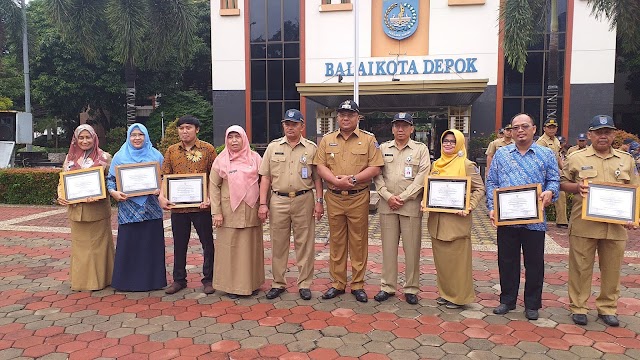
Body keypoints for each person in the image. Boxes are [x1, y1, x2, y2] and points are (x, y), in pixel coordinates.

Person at [561, 115, 639, 327]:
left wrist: (634, 217)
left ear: (614, 134)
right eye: (598, 132)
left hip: (615, 227)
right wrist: (576, 187)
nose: (603, 136)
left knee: (612, 269)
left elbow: (635, 188)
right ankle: (578, 307)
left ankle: (607, 308)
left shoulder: (626, 160)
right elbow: (561, 182)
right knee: (580, 268)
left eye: (607, 132)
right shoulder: (576, 158)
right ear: (590, 135)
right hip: (584, 224)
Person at [486, 113, 559, 320]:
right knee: (507, 261)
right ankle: (507, 300)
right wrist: (492, 207)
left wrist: (550, 193)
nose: (519, 130)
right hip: (507, 219)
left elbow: (554, 180)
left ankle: (532, 304)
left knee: (534, 263)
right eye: (515, 127)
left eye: (524, 126)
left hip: (534, 221)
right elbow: (492, 181)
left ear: (534, 129)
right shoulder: (502, 154)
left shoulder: (545, 154)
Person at [312, 100, 384, 303]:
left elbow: (375, 167)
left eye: (350, 114)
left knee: (358, 242)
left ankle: (358, 284)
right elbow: (320, 165)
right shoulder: (327, 140)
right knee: (336, 241)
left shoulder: (369, 140)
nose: (345, 118)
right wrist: (335, 180)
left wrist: (352, 180)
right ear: (337, 117)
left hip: (358, 197)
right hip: (334, 197)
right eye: (342, 114)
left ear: (357, 117)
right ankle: (337, 283)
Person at [258, 109, 324, 301]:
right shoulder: (273, 147)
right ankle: (278, 283)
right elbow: (265, 177)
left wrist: (319, 202)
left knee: (305, 244)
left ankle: (304, 284)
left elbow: (318, 179)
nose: (290, 127)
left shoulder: (311, 148)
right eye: (287, 124)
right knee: (278, 244)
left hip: (304, 199)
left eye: (294, 124)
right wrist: (263, 204)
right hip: (278, 200)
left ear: (302, 126)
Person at [372, 112, 430, 305]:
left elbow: (422, 177)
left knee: (412, 249)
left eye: (405, 126)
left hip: (410, 206)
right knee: (388, 249)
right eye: (397, 125)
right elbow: (377, 175)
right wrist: (388, 197)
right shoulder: (383, 148)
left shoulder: (420, 150)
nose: (400, 129)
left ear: (412, 129)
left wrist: (403, 197)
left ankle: (411, 288)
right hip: (387, 206)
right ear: (392, 128)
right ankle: (387, 286)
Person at [424, 129, 485, 309]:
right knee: (442, 262)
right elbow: (430, 188)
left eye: (452, 141)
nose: (448, 144)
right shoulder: (436, 165)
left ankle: (459, 297)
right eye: (445, 141)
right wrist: (425, 201)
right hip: (437, 221)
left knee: (458, 263)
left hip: (457, 221)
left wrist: (469, 206)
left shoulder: (466, 164)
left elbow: (479, 188)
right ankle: (446, 293)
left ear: (459, 143)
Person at [160, 115, 217, 295]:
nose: (184, 131)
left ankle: (209, 279)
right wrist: (162, 196)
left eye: (188, 128)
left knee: (207, 243)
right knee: (179, 243)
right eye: (181, 128)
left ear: (196, 129)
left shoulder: (208, 149)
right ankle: (179, 280)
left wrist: (209, 198)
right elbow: (165, 176)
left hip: (202, 206)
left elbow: (215, 178)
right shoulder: (171, 151)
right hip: (179, 207)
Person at [108, 123, 167, 292]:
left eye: (140, 135)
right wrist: (114, 193)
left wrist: (160, 189)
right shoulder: (120, 156)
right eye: (133, 135)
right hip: (129, 210)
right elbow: (110, 180)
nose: (137, 138)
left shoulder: (156, 155)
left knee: (150, 244)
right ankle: (126, 282)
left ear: (146, 136)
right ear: (128, 137)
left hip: (151, 209)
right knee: (130, 244)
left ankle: (153, 281)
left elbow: (165, 178)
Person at [57, 124, 114, 291]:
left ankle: (102, 281)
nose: (84, 141)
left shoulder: (105, 157)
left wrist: (99, 193)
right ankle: (81, 282)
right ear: (75, 139)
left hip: (97, 210)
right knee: (80, 248)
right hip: (76, 211)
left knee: (99, 247)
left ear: (94, 138)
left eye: (88, 137)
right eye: (81, 138)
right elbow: (63, 181)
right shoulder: (70, 158)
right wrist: (61, 195)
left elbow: (112, 182)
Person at [210, 125, 265, 299]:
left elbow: (265, 182)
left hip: (251, 210)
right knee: (229, 249)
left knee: (251, 248)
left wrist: (265, 204)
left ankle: (252, 284)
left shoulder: (255, 158)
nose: (234, 141)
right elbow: (214, 186)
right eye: (230, 137)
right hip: (229, 213)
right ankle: (230, 286)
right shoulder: (221, 160)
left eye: (237, 137)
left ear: (244, 139)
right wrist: (216, 212)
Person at [537, 119, 567, 228]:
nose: (551, 129)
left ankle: (562, 221)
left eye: (553, 127)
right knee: (541, 197)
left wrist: (564, 171)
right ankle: (539, 220)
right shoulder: (541, 141)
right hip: (543, 173)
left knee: (560, 195)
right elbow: (540, 160)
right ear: (544, 128)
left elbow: (558, 157)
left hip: (554, 174)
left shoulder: (556, 141)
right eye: (549, 127)